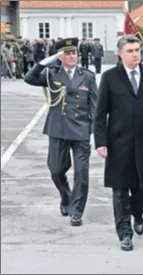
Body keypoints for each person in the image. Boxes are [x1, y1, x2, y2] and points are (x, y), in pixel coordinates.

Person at [94, 35, 143, 251]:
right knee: (119, 190)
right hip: (118, 142)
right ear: (120, 54)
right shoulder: (110, 77)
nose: (135, 54)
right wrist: (100, 142)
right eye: (130, 51)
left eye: (137, 50)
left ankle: (137, 212)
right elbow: (100, 113)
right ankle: (125, 234)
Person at [24, 37, 98, 227]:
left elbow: (94, 106)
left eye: (74, 53)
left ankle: (76, 211)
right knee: (56, 170)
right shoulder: (51, 74)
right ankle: (66, 196)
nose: (72, 56)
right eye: (67, 53)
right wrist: (43, 63)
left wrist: (95, 133)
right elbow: (29, 78)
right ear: (60, 57)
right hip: (58, 129)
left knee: (82, 173)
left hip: (81, 130)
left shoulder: (88, 76)